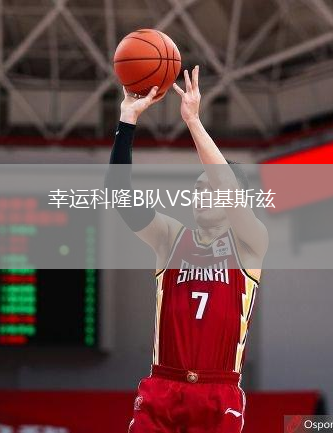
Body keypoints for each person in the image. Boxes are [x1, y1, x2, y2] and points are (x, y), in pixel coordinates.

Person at [106, 65, 268, 433]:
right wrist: (127, 120)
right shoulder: (171, 237)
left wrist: (193, 121)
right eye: (197, 189)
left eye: (210, 189)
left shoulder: (250, 243)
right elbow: (119, 195)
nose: (201, 195)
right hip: (163, 388)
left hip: (218, 394)